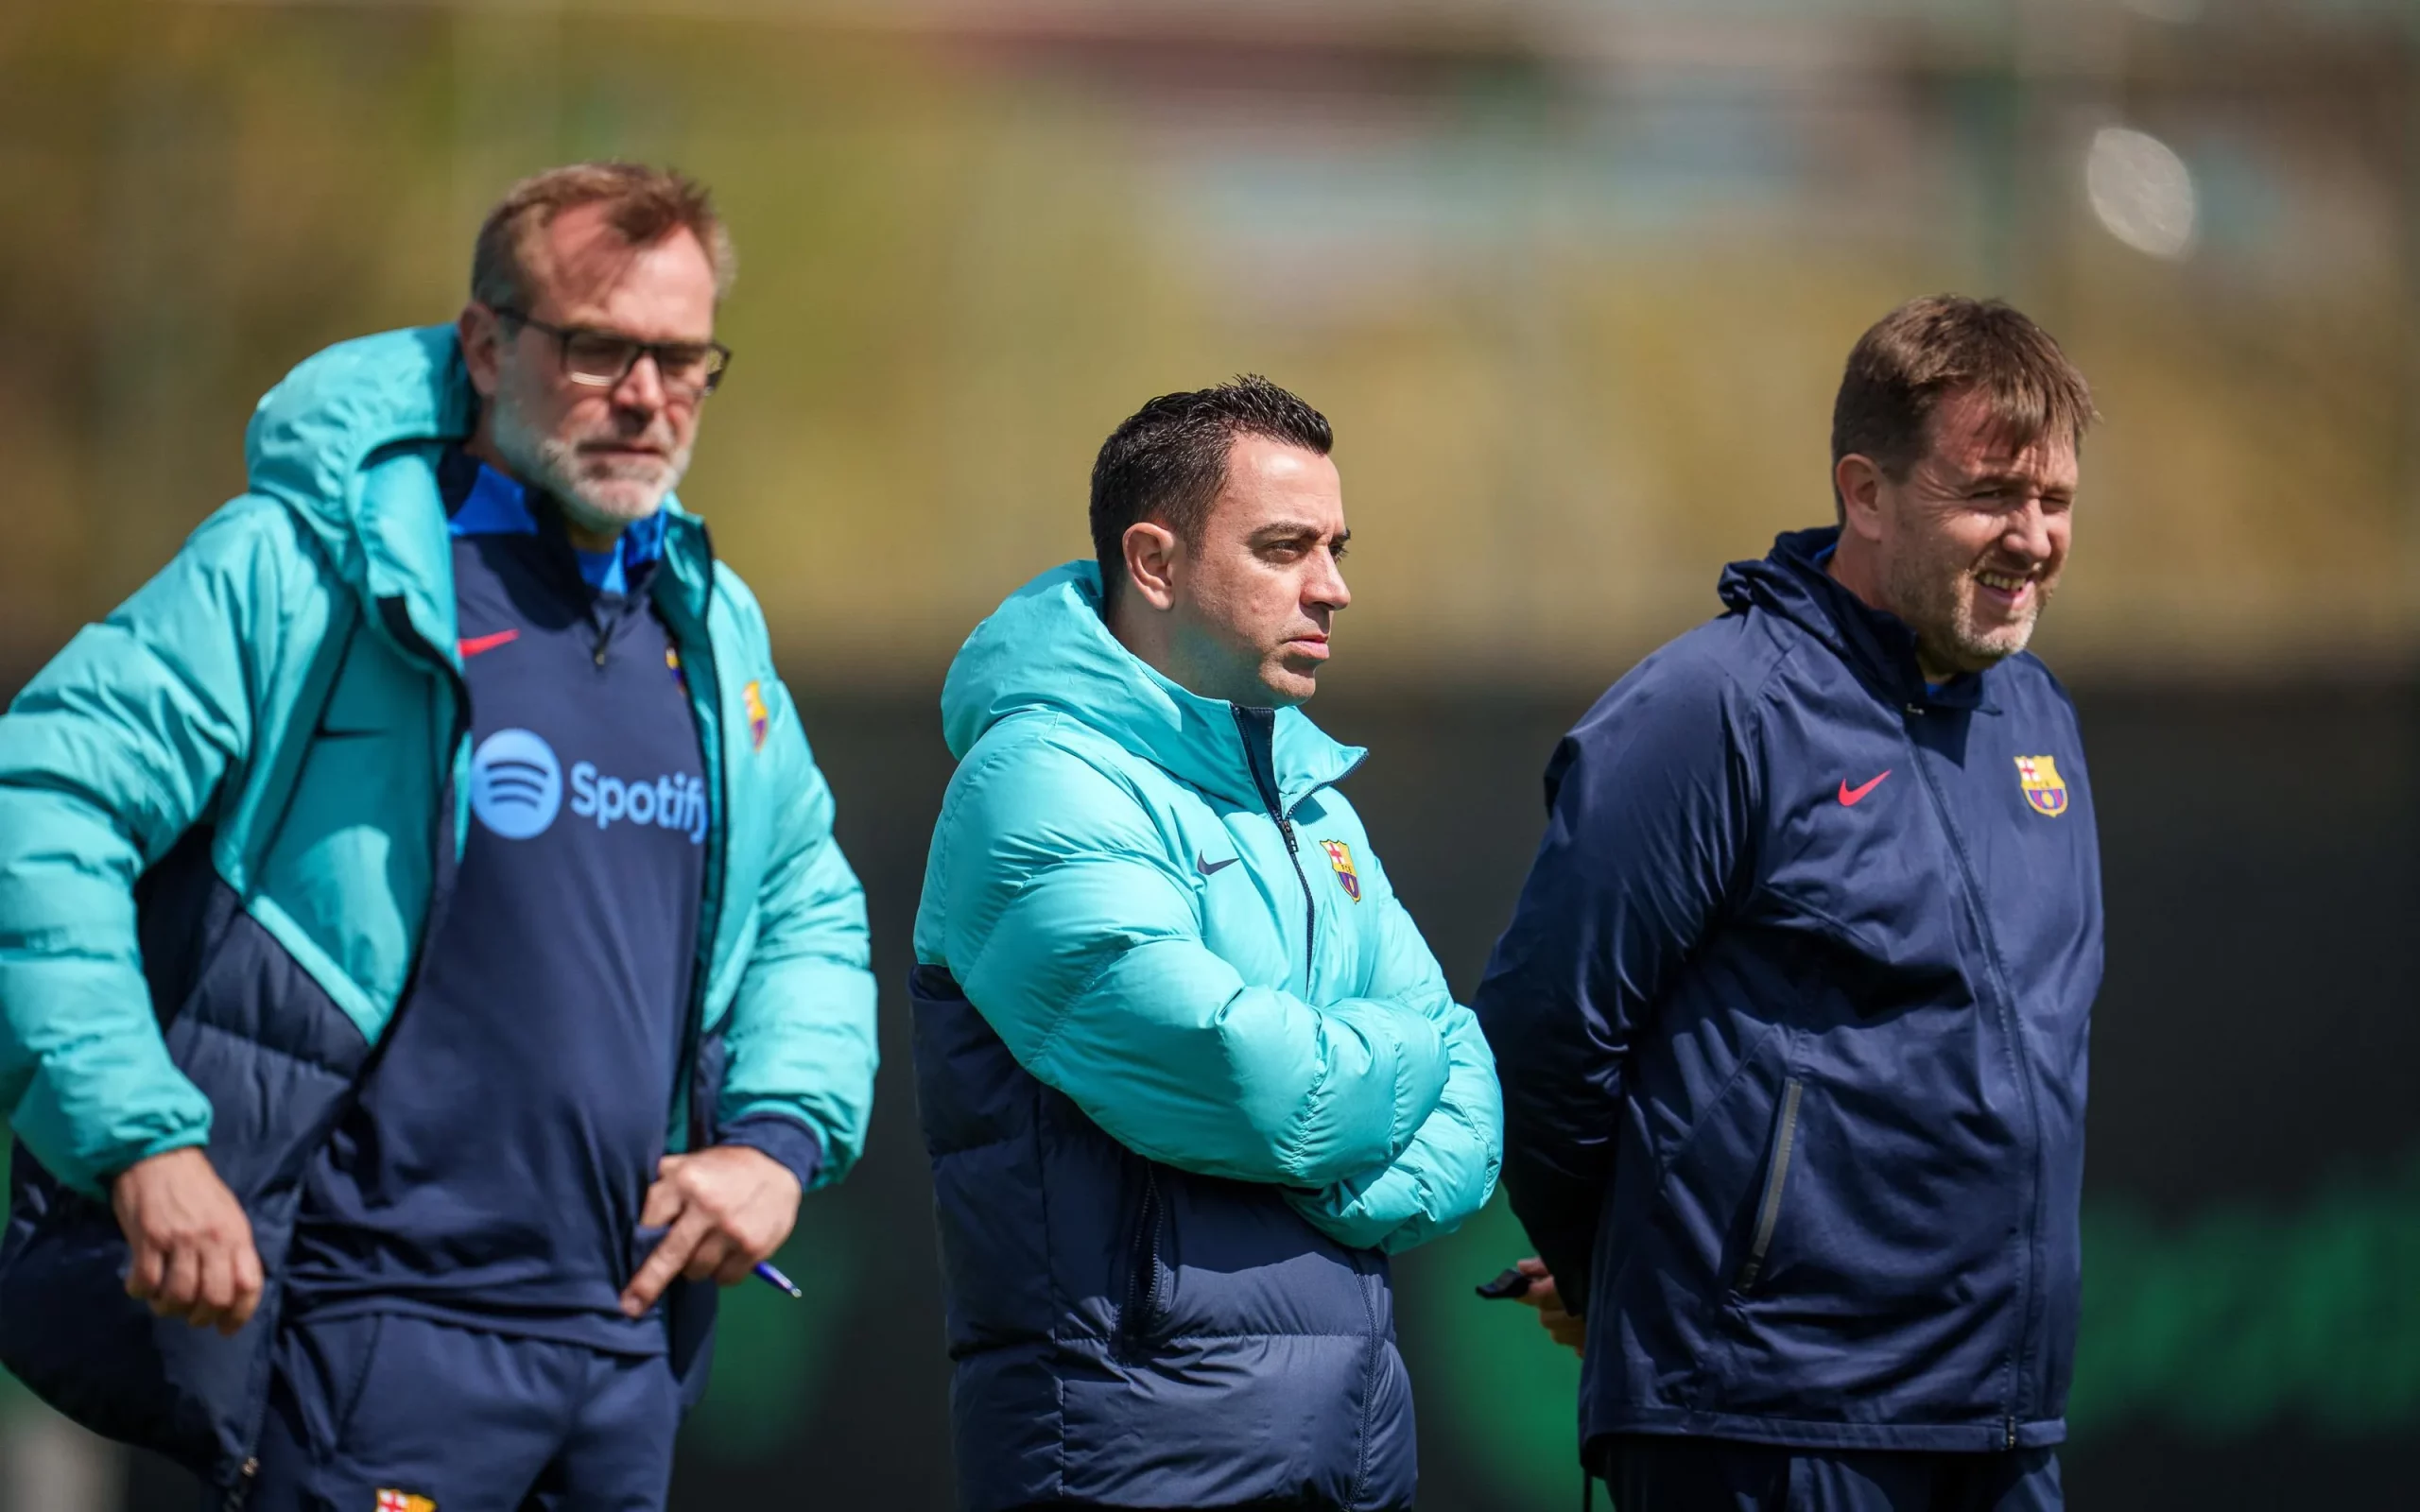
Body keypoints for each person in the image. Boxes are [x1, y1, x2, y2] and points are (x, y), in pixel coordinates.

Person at [0, 163, 877, 1511]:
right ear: (485, 344)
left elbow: (809, 903)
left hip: (620, 1342)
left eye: (683, 359)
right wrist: (141, 1143)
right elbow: (40, 805)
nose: (645, 397)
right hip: (364, 1332)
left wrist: (777, 1141)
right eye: (597, 348)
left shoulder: (711, 628)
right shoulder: (305, 569)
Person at [1475, 296, 2101, 1511]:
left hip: (2004, 1423)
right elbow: (1545, 1035)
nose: (2030, 538)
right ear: (1864, 493)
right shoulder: (1710, 711)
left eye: (2056, 502)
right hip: (1766, 1423)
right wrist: (1622, 1274)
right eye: (1988, 494)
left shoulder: (2040, 718)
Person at [908, 378, 1502, 1512]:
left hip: (1357, 1443)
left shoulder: (1312, 795)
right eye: (1285, 548)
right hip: (1134, 1443)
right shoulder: (1038, 778)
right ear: (1152, 561)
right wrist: (1372, 1086)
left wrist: (1337, 1152)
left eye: (1334, 547)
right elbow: (1254, 1085)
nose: (1333, 588)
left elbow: (1470, 1103)